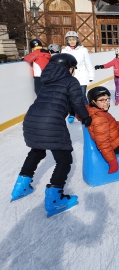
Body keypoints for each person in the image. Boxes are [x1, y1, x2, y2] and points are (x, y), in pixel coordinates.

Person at [10, 53, 92, 217]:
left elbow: (60, 100)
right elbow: (77, 102)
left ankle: (20, 187)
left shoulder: (46, 80)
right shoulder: (71, 81)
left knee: (37, 150)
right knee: (64, 159)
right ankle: (55, 200)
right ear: (69, 68)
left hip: (32, 119)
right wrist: (86, 117)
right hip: (51, 122)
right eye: (73, 68)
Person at [62, 31, 95, 122]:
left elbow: (88, 63)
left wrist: (91, 75)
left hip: (82, 75)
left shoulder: (83, 50)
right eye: (70, 40)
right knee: (70, 96)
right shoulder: (64, 51)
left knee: (82, 95)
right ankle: (72, 113)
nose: (72, 42)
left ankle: (87, 112)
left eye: (73, 39)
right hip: (70, 76)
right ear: (67, 41)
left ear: (77, 40)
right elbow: (63, 65)